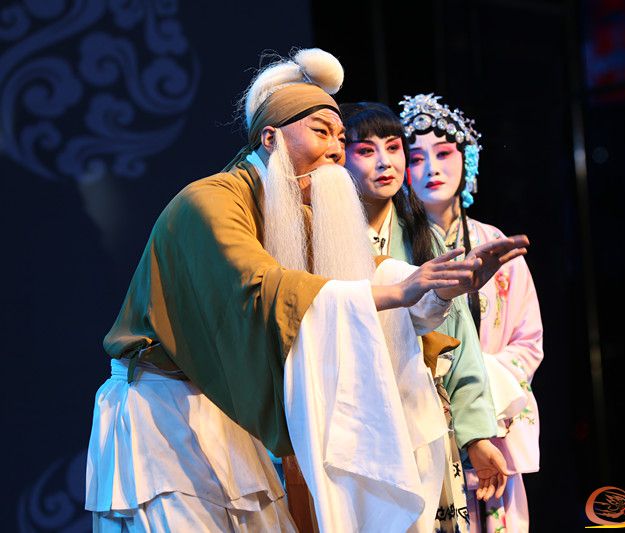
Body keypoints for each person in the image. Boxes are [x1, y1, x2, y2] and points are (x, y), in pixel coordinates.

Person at [84, 50, 529, 532]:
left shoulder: (293, 212)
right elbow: (264, 288)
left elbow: (366, 277)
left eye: (340, 137)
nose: (337, 149)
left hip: (231, 420)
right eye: (322, 132)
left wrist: (438, 289)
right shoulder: (208, 202)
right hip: (164, 416)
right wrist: (400, 292)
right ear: (270, 137)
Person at [341, 102, 512, 532]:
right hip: (355, 421)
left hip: (424, 414)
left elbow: (461, 342)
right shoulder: (326, 238)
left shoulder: (423, 236)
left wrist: (476, 435)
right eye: (366, 150)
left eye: (393, 147)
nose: (385, 162)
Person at [399, 93, 545, 533]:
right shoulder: (397, 247)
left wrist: (480, 385)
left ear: (468, 160)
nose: (432, 168)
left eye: (444, 153)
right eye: (416, 158)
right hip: (421, 423)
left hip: (493, 420)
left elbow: (528, 341)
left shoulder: (494, 243)